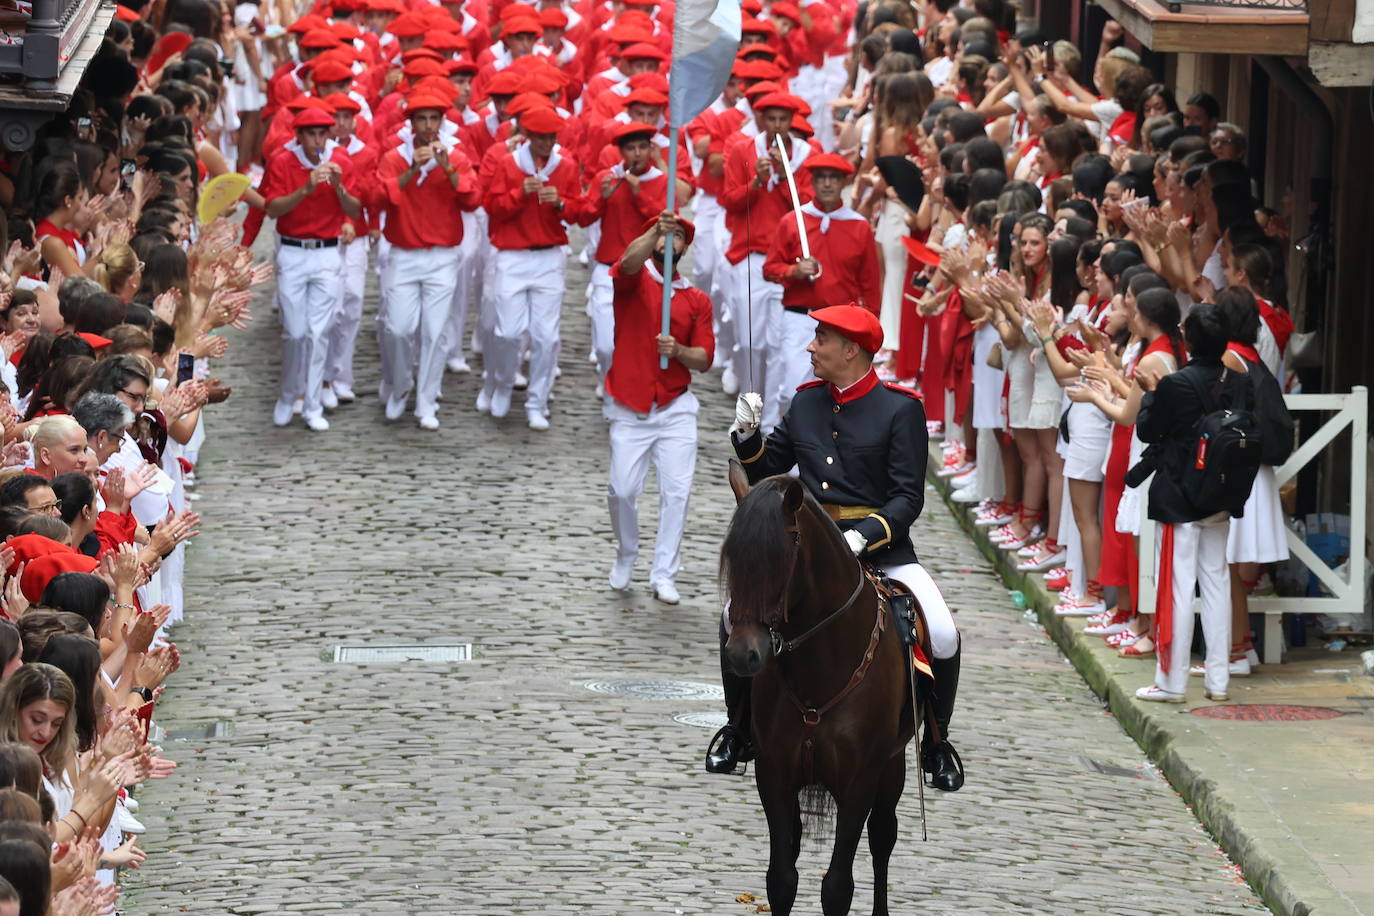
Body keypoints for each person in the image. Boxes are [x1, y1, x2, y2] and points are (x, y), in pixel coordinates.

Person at [708, 304, 964, 792]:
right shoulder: (806, 402)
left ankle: (936, 741)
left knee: (945, 632)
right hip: (808, 550)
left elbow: (907, 497)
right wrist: (747, 437)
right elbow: (769, 474)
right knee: (731, 616)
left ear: (851, 350)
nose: (810, 347)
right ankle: (738, 729)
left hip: (882, 550)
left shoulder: (901, 408)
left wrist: (862, 535)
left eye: (821, 338)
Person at [604, 212, 713, 605]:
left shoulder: (696, 299)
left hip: (675, 407)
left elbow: (704, 358)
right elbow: (628, 263)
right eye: (666, 236)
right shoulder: (634, 281)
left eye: (678, 237)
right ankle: (626, 553)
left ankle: (664, 572)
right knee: (622, 490)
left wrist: (678, 351)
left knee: (676, 493)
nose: (671, 242)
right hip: (630, 406)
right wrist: (654, 231)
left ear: (685, 248)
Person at [1131, 303, 1232, 703]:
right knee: (1215, 583)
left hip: (1180, 495)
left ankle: (1172, 681)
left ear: (1188, 341)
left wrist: (1153, 394)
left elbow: (1148, 430)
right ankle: (1218, 681)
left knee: (1176, 587)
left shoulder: (1176, 383)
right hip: (1220, 492)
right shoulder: (1236, 379)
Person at [479, 106, 593, 430]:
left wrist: (560, 202)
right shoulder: (507, 164)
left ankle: (537, 400)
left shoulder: (565, 166)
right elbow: (492, 208)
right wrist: (519, 194)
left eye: (552, 137)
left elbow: (577, 213)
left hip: (548, 257)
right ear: (527, 137)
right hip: (512, 256)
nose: (547, 143)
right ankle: (501, 384)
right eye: (541, 137)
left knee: (546, 337)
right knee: (508, 331)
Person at [374, 91, 481, 430]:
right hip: (404, 255)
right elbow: (379, 197)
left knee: (435, 333)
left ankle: (426, 400)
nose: (428, 126)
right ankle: (401, 386)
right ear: (411, 124)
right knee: (397, 329)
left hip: (442, 257)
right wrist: (413, 168)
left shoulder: (456, 157)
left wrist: (447, 167)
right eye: (421, 119)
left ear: (442, 123)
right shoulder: (394, 158)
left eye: (434, 119)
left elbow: (471, 198)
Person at [259, 106, 362, 431]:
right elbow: (272, 209)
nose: (318, 140)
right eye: (311, 134)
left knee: (320, 334)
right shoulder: (282, 161)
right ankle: (289, 395)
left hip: (328, 253)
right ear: (299, 136)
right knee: (295, 331)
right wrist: (305, 188)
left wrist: (340, 187)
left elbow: (356, 212)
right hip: (293, 251)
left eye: (322, 133)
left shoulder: (341, 160)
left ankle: (313, 404)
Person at [762, 152, 882, 419]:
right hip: (799, 317)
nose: (827, 184)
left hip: (840, 326)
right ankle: (786, 444)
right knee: (791, 389)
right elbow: (770, 269)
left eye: (834, 178)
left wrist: (871, 330)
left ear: (843, 183)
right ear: (813, 182)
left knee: (834, 393)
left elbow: (870, 285)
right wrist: (794, 270)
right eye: (822, 178)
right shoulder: (793, 220)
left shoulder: (859, 227)